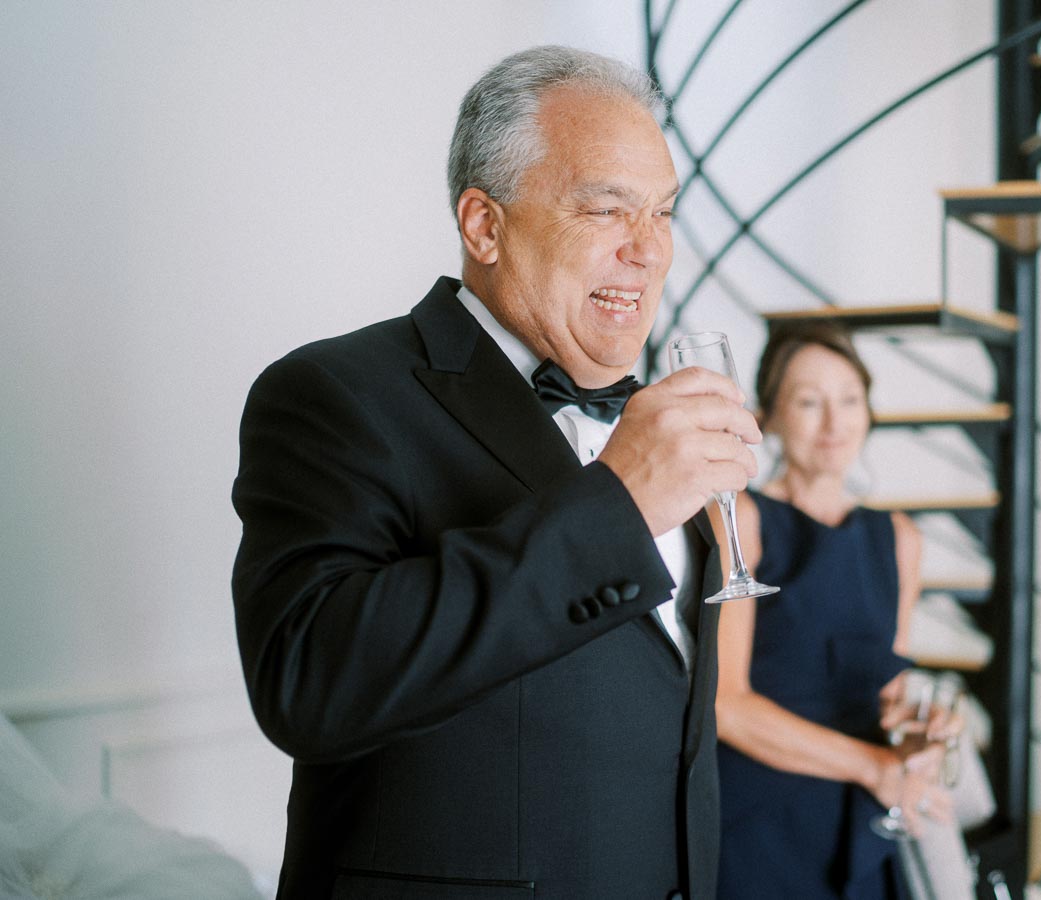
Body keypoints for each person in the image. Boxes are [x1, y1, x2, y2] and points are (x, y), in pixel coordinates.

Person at [231, 46, 761, 900]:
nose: (650, 251)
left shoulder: (656, 416)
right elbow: (307, 684)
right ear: (484, 224)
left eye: (662, 212)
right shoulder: (331, 394)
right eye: (605, 209)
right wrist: (617, 507)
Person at [713, 322, 961, 899]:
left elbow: (888, 687)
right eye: (808, 401)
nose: (834, 423)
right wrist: (873, 766)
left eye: (850, 400)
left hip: (866, 815)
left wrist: (928, 726)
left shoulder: (899, 538)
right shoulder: (741, 521)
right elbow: (728, 705)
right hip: (762, 817)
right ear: (769, 416)